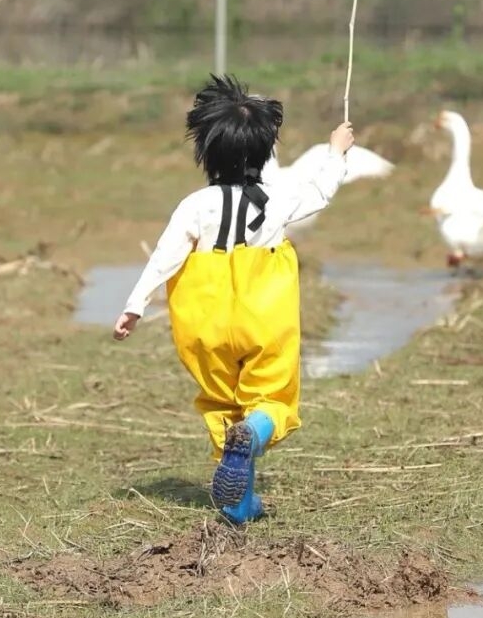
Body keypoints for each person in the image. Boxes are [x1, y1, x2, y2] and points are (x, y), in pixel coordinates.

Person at [114, 73, 354, 524]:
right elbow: (322, 191)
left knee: (223, 404)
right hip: (263, 317)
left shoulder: (194, 205)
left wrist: (135, 305)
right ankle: (252, 439)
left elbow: (165, 256)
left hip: (204, 321)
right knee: (270, 400)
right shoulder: (276, 201)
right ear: (265, 150)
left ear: (205, 150)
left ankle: (239, 506)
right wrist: (336, 151)